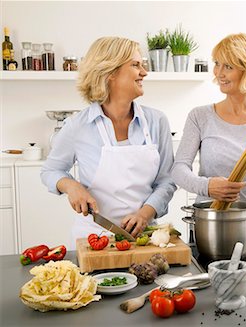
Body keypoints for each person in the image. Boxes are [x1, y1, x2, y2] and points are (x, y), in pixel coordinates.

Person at [41, 37, 176, 246]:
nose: (144, 72)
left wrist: (145, 214)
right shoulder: (78, 125)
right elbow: (51, 170)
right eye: (135, 65)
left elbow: (166, 181)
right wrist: (71, 186)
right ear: (110, 72)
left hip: (144, 238)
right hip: (93, 238)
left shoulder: (157, 121)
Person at [171, 33, 246, 239]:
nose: (219, 73)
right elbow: (178, 170)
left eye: (228, 66)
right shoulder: (200, 116)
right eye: (217, 64)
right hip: (207, 228)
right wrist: (207, 187)